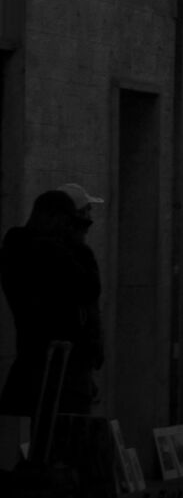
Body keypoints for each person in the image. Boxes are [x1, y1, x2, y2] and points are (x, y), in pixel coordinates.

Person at [0, 186, 106, 446]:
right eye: (76, 220)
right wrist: (76, 246)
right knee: (57, 440)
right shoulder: (34, 247)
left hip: (53, 360)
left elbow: (87, 292)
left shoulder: (31, 247)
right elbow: (86, 286)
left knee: (52, 438)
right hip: (49, 360)